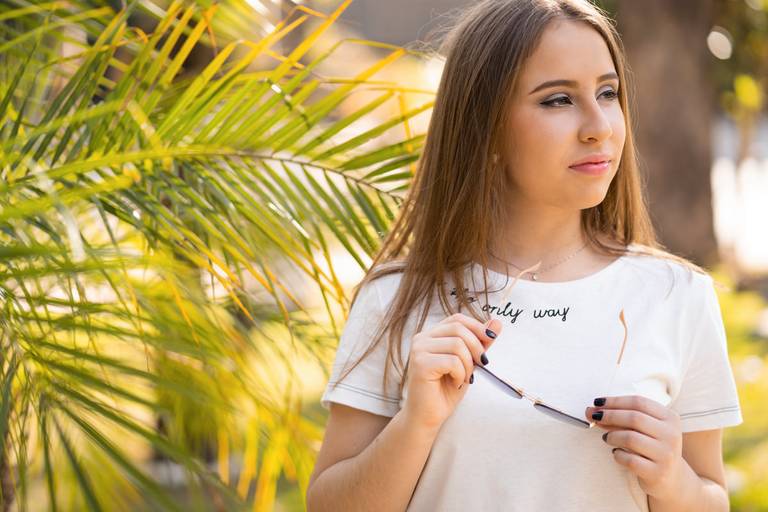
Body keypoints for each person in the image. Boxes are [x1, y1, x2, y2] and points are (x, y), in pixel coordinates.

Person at [306, 0, 743, 510]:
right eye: (558, 100)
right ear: (484, 127)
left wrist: (672, 478)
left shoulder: (678, 297)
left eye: (608, 92)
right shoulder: (398, 299)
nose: (599, 125)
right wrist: (415, 424)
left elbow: (711, 497)